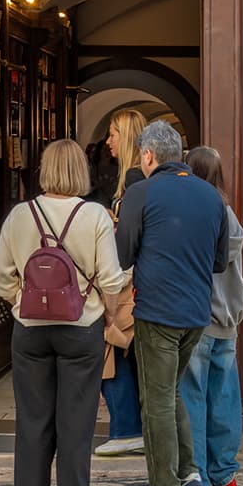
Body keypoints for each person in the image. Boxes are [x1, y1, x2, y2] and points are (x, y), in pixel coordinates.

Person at [0, 139, 125, 486]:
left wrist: (23, 302)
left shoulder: (20, 215)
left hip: (30, 330)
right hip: (81, 329)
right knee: (76, 421)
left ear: (44, 171)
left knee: (32, 420)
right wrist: (107, 314)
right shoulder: (95, 215)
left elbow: (0, 277)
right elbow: (112, 279)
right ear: (80, 171)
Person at [116, 120, 229, 486]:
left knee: (157, 400)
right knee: (172, 392)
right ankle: (191, 477)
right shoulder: (211, 196)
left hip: (158, 311)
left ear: (147, 155)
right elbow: (219, 261)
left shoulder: (140, 192)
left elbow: (123, 254)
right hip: (197, 313)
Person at [180, 146, 243, 486]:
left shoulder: (196, 213)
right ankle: (225, 474)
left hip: (198, 318)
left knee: (192, 397)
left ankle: (197, 477)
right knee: (224, 398)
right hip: (228, 320)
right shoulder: (229, 214)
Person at [94, 108, 147, 457]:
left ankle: (126, 429)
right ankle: (129, 428)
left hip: (128, 287)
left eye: (113, 133)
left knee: (112, 351)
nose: (108, 141)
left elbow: (132, 243)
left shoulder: (134, 184)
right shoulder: (131, 182)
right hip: (132, 285)